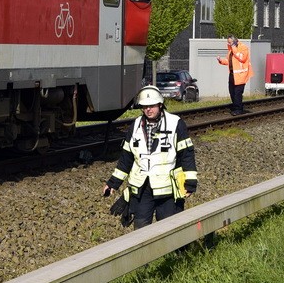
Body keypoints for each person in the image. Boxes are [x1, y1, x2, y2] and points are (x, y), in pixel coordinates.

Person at [102, 85, 198, 229]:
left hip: (167, 190)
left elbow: (187, 154)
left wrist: (190, 183)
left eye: (152, 105)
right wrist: (113, 183)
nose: (148, 109)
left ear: (160, 104)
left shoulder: (175, 123)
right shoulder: (135, 126)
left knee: (169, 229)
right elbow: (126, 159)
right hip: (142, 189)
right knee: (141, 229)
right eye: (145, 106)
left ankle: (173, 252)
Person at [217, 35, 252, 115]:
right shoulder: (231, 50)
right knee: (232, 92)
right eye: (228, 42)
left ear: (234, 41)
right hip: (232, 75)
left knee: (237, 94)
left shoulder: (243, 48)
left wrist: (234, 48)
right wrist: (221, 60)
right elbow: (229, 61)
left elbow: (242, 57)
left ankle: (238, 109)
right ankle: (236, 107)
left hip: (240, 75)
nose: (228, 44)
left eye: (230, 42)